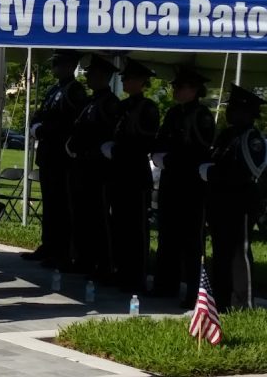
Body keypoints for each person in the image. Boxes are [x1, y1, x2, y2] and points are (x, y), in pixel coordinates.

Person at [151, 66, 215, 307]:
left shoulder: (202, 115)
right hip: (171, 181)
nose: (174, 89)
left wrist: (170, 159)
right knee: (168, 235)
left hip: (191, 184)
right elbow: (162, 139)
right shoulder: (173, 113)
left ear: (194, 90)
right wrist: (159, 154)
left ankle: (194, 293)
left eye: (180, 86)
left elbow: (199, 151)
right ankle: (165, 284)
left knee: (191, 240)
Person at [201, 84, 266, 311]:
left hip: (240, 203)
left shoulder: (252, 138)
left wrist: (213, 173)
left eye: (234, 108)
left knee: (240, 254)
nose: (229, 112)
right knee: (220, 253)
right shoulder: (227, 135)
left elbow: (249, 171)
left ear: (247, 112)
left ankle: (243, 304)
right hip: (220, 202)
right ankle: (219, 301)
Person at [24, 49, 87, 269]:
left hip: (62, 157)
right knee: (50, 204)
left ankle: (62, 250)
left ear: (70, 65)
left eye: (60, 64)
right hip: (49, 155)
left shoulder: (75, 90)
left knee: (62, 206)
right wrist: (36, 126)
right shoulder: (55, 90)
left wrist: (43, 131)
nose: (56, 68)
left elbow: (68, 122)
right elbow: (41, 114)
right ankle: (49, 245)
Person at [101, 58, 160, 292]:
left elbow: (143, 142)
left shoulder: (147, 108)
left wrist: (116, 150)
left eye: (129, 78)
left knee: (135, 228)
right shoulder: (123, 106)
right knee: (119, 225)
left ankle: (136, 275)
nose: (124, 81)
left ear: (141, 82)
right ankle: (120, 269)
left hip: (135, 174)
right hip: (118, 173)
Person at [65, 54, 120, 278]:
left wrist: (90, 150)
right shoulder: (91, 101)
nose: (87, 77)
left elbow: (106, 133)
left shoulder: (110, 103)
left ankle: (103, 263)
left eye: (92, 74)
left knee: (98, 218)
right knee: (82, 216)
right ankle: (84, 258)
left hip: (98, 169)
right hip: (82, 166)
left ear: (103, 77)